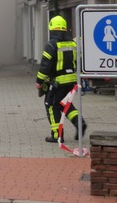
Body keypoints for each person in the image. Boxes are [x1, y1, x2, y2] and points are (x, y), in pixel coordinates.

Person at [36, 15, 87, 143]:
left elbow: (45, 65)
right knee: (65, 104)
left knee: (51, 106)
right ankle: (79, 123)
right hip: (71, 81)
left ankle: (56, 135)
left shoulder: (52, 45)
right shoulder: (72, 43)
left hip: (58, 82)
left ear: (52, 29)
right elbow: (78, 61)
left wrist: (39, 81)